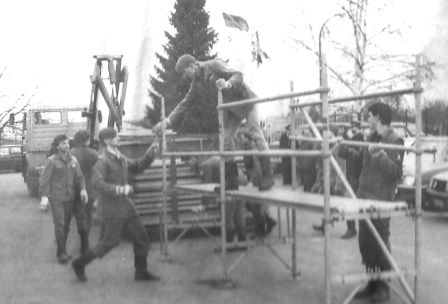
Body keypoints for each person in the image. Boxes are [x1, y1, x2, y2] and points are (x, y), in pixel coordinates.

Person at [153, 54, 274, 192]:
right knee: (226, 140)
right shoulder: (196, 83)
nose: (185, 76)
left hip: (245, 100)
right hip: (231, 108)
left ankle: (268, 176)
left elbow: (238, 74)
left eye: (185, 72)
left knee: (255, 133)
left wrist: (228, 84)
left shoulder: (214, 65)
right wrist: (167, 122)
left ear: (193, 65)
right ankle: (232, 180)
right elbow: (185, 103)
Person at [71, 128, 160, 282]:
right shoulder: (102, 160)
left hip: (126, 205)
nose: (118, 138)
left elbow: (137, 167)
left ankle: (141, 272)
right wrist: (119, 189)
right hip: (112, 207)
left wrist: (150, 155)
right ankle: (79, 264)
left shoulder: (120, 157)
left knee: (142, 237)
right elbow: (97, 183)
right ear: (106, 141)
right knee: (109, 242)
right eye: (115, 136)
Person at [338, 103, 403, 302]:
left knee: (380, 242)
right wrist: (343, 149)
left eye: (369, 116)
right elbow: (360, 159)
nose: (367, 120)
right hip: (365, 197)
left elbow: (396, 173)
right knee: (366, 243)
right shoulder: (371, 138)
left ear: (378, 117)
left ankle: (383, 287)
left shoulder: (395, 140)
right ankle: (372, 283)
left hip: (381, 200)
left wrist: (381, 156)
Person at [39, 134, 88, 264]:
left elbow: (80, 177)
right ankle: (61, 253)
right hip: (56, 198)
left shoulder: (73, 160)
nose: (66, 145)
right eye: (62, 143)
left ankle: (63, 250)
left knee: (66, 226)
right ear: (57, 146)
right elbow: (45, 181)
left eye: (67, 143)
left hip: (70, 198)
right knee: (60, 225)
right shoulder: (51, 161)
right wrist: (44, 198)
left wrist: (83, 189)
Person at [236, 128, 277, 237]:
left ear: (246, 137)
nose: (238, 140)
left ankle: (262, 227)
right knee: (255, 205)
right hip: (257, 178)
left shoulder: (252, 147)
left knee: (255, 205)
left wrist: (252, 182)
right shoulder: (247, 147)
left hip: (259, 180)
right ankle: (267, 222)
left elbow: (257, 167)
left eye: (240, 137)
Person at [199, 156, 247, 246]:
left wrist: (204, 204)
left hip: (231, 184)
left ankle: (228, 243)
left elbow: (207, 184)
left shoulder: (205, 165)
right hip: (241, 181)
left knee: (227, 214)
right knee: (239, 213)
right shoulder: (215, 160)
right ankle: (243, 242)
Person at [70, 130, 99, 254]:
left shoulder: (71, 153)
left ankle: (84, 244)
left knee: (80, 217)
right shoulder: (94, 153)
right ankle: (86, 245)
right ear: (86, 140)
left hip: (76, 189)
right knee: (88, 216)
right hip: (90, 189)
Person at [338, 120, 364, 239]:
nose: (351, 129)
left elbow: (358, 156)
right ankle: (352, 227)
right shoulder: (352, 139)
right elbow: (343, 154)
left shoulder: (360, 139)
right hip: (352, 174)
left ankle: (352, 228)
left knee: (351, 202)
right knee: (350, 202)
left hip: (356, 175)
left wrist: (346, 146)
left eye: (353, 127)